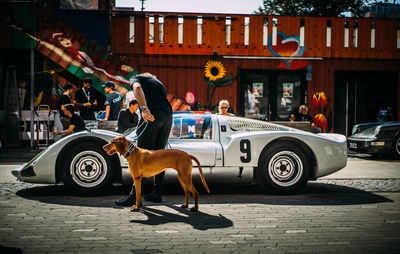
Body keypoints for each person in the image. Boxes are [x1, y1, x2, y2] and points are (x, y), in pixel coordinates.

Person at [115, 72, 172, 206]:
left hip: (151, 115)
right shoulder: (159, 84)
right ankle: (157, 193)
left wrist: (144, 109)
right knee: (160, 156)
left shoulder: (137, 78)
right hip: (168, 117)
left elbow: (138, 89)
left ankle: (135, 198)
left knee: (139, 157)